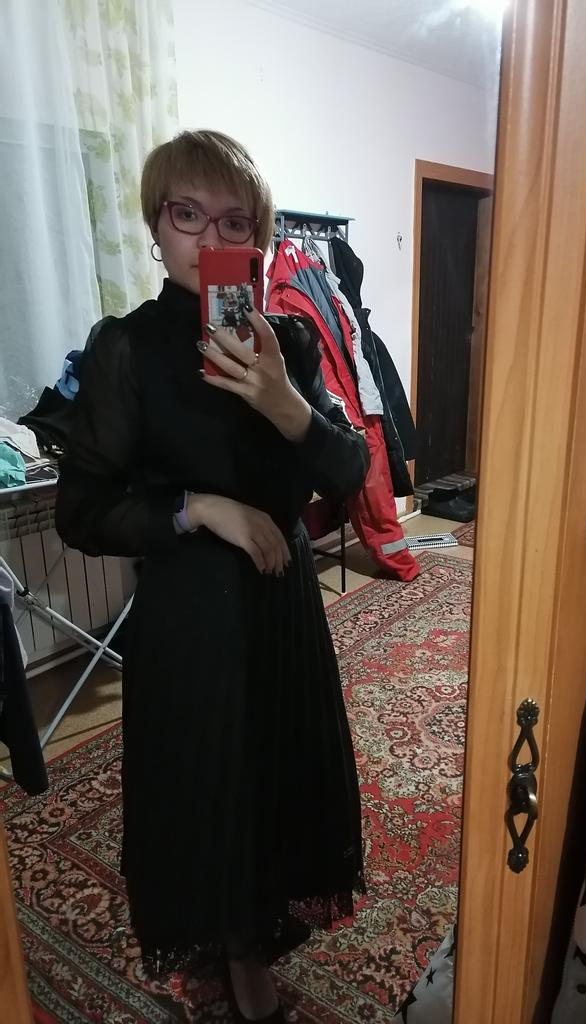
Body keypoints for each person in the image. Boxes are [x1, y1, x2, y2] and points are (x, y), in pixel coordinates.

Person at [55, 130, 369, 1023]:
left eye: (234, 222)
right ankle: (235, 952)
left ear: (258, 242)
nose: (207, 237)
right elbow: (84, 511)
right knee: (209, 779)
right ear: (157, 228)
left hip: (281, 605)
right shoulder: (126, 350)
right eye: (187, 215)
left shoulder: (292, 345)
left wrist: (284, 403)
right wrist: (204, 508)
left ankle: (260, 925)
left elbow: (351, 473)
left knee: (278, 768)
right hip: (191, 612)